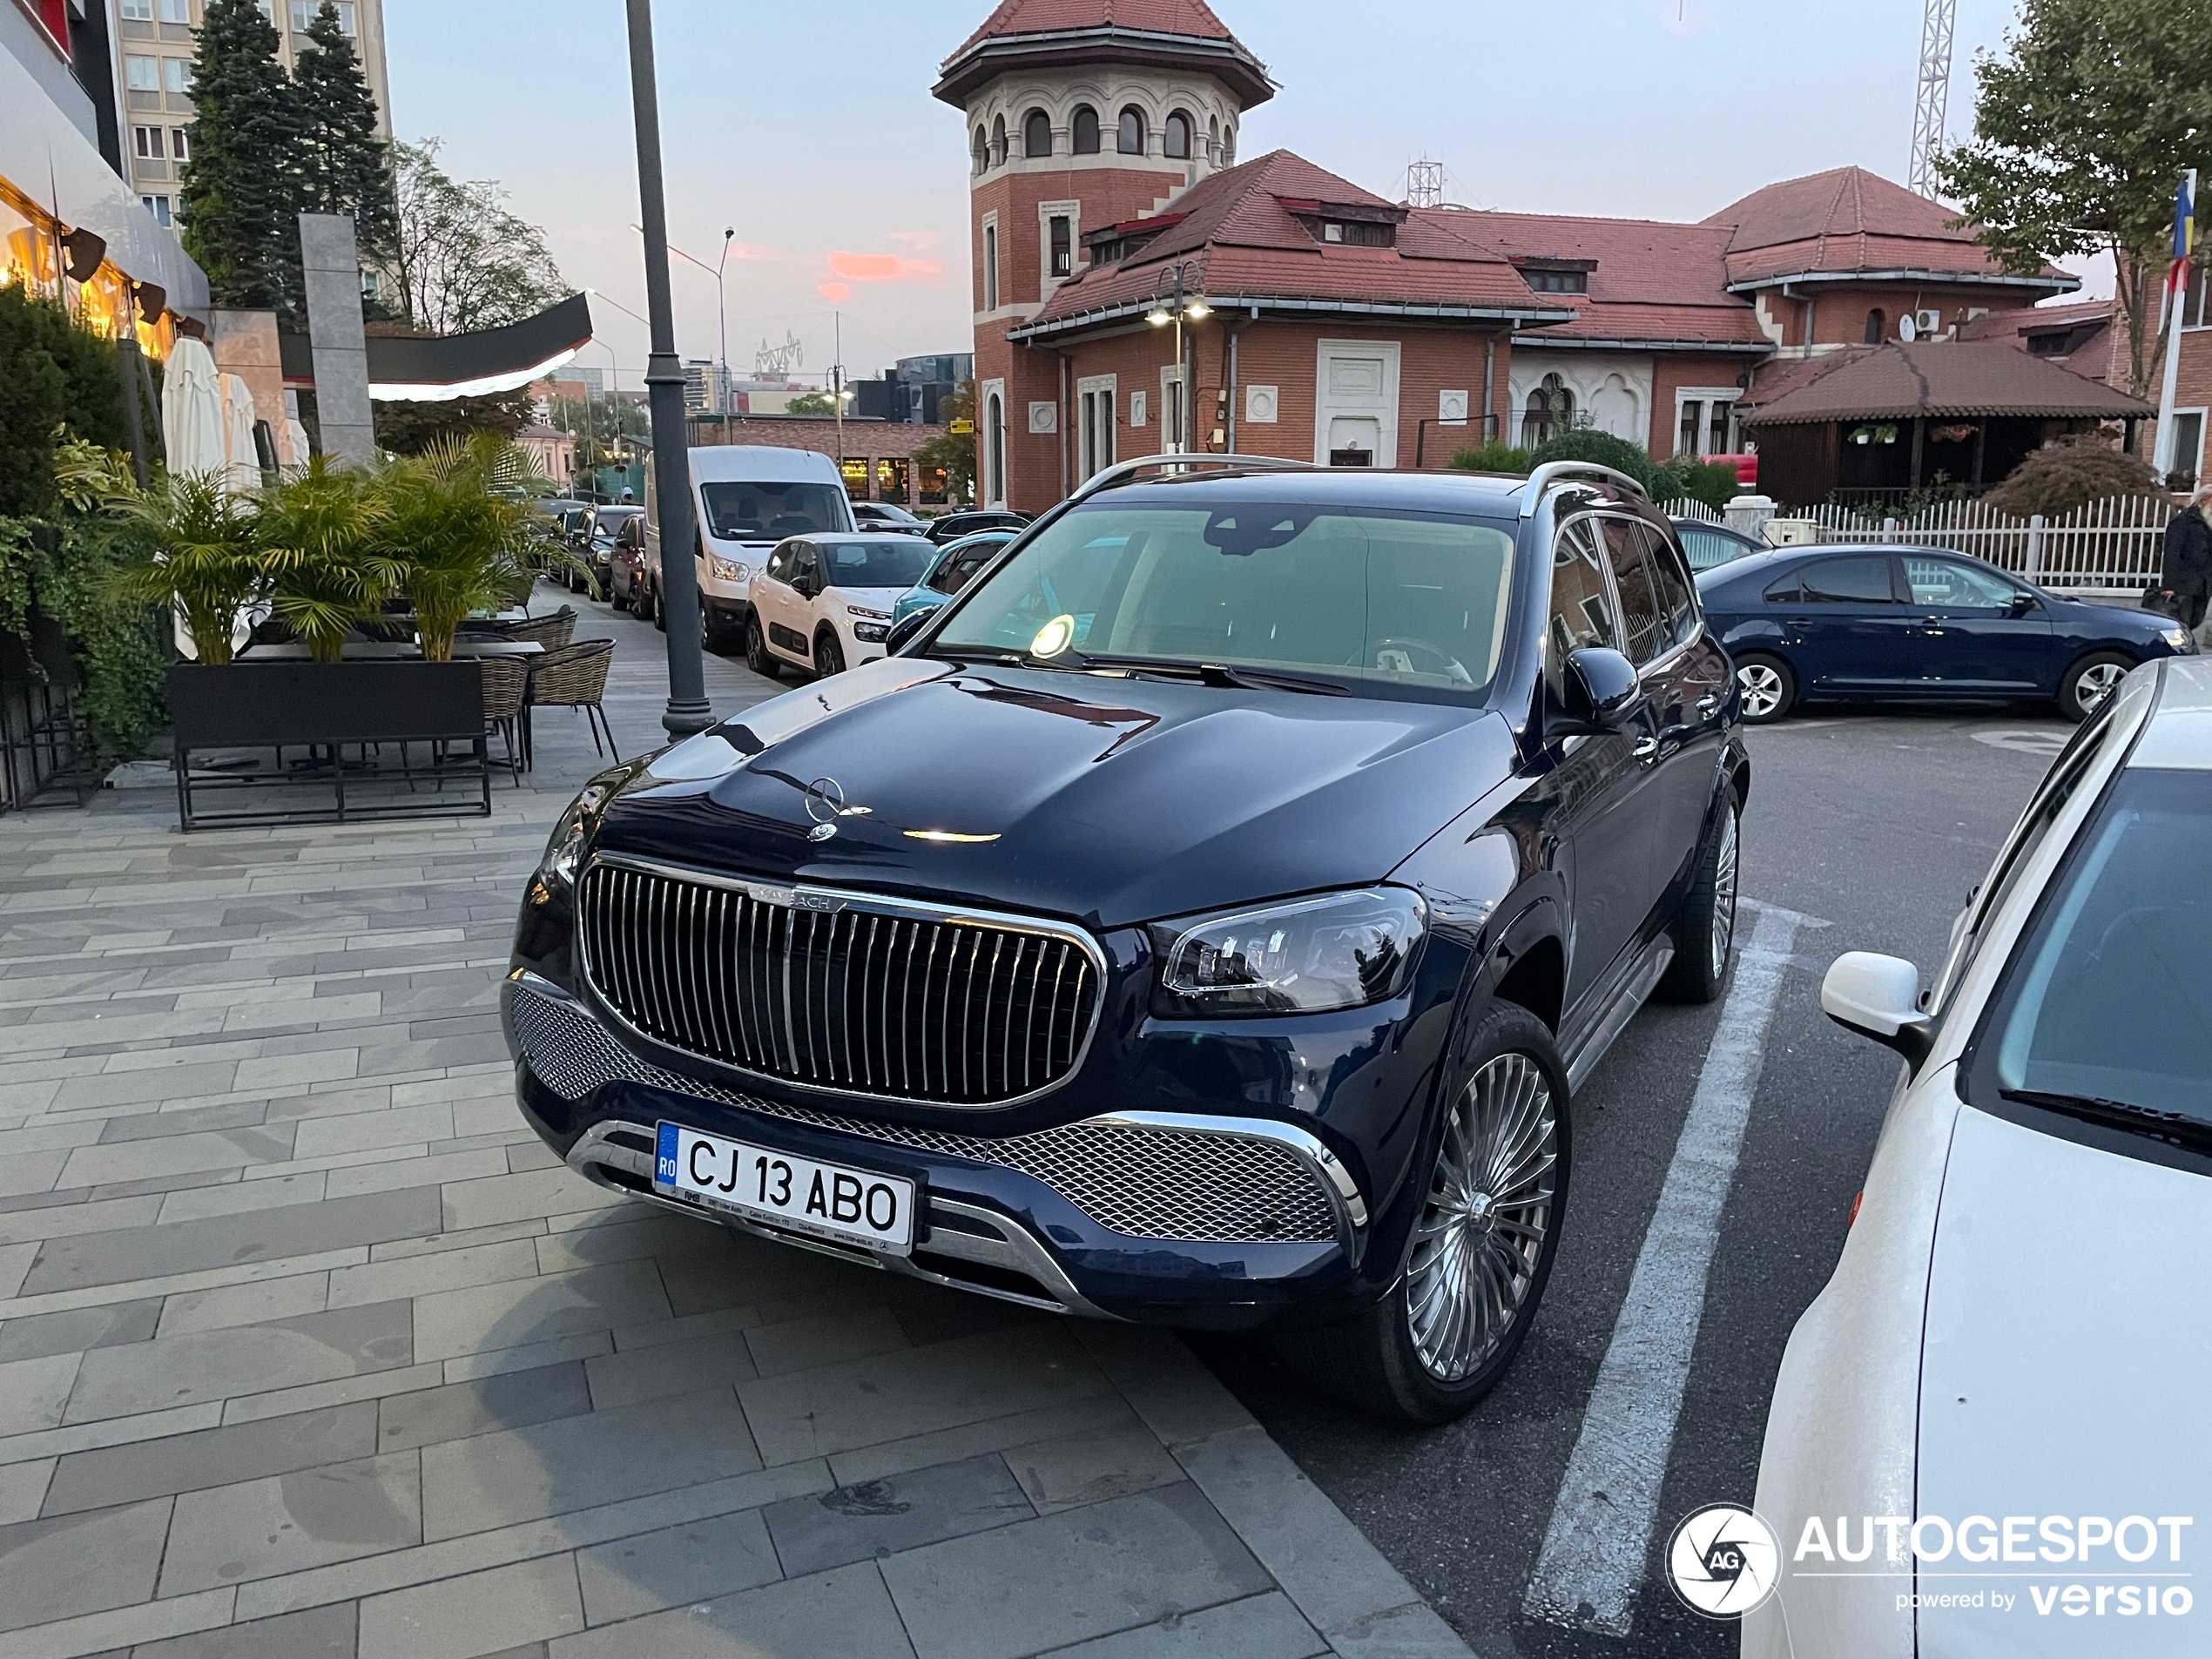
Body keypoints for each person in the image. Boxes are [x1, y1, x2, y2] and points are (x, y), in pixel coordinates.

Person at [2159, 486, 2212, 631]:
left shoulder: (2206, 524)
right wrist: (2169, 586)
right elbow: (2172, 554)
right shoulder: (2183, 522)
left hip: (2202, 586)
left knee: (2192, 623)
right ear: (2204, 500)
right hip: (2183, 586)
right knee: (2179, 626)